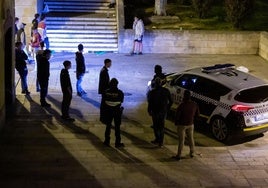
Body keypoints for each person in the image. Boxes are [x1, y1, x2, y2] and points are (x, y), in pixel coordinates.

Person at [173, 90, 200, 161]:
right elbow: (197, 114)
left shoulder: (182, 105)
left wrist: (176, 123)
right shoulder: (194, 104)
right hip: (190, 124)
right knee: (191, 138)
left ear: (184, 96)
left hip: (182, 125)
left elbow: (177, 116)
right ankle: (192, 152)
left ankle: (179, 155)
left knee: (181, 140)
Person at [147, 77, 172, 147]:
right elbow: (171, 101)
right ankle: (160, 142)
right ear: (161, 83)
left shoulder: (152, 92)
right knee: (161, 127)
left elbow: (150, 102)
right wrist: (167, 108)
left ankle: (157, 139)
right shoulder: (166, 91)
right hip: (163, 111)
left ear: (155, 83)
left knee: (156, 126)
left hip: (155, 111)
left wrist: (149, 110)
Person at [102, 78, 125, 148]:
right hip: (117, 111)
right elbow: (121, 101)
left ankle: (107, 141)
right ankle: (117, 143)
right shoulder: (120, 93)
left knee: (108, 126)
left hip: (108, 111)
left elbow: (103, 101)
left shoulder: (106, 92)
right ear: (117, 84)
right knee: (117, 127)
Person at [98, 59, 112, 123]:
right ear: (107, 63)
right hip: (104, 90)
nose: (110, 64)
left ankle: (103, 117)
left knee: (104, 104)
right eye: (110, 63)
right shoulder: (104, 71)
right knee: (104, 104)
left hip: (104, 90)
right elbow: (104, 82)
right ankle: (103, 118)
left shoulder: (104, 70)